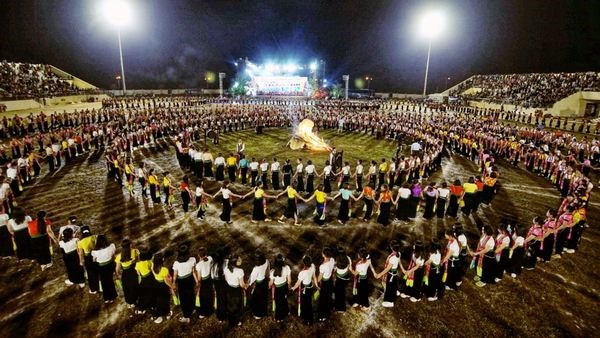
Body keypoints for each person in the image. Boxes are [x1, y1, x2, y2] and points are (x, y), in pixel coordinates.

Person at [291, 255, 318, 325]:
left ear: (304, 263)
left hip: (305, 289)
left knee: (306, 304)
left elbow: (297, 283)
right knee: (308, 302)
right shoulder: (313, 266)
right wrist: (316, 285)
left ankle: (308, 320)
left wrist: (293, 288)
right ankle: (306, 316)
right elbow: (314, 276)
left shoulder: (302, 273)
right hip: (310, 287)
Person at [172, 245, 196, 323]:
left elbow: (175, 274)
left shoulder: (176, 263)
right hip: (190, 279)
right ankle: (192, 309)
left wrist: (173, 283)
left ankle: (186, 316)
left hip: (182, 282)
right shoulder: (192, 259)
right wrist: (196, 281)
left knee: (183, 299)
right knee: (191, 294)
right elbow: (193, 271)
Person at [91, 234, 117, 303]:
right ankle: (113, 296)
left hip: (101, 267)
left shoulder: (95, 252)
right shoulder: (111, 247)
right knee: (110, 280)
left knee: (104, 282)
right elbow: (114, 256)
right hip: (110, 265)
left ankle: (107, 298)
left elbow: (94, 260)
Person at [374, 240, 401, 307]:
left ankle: (389, 301)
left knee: (388, 286)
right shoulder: (398, 253)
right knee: (394, 283)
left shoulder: (392, 258)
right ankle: (395, 291)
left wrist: (379, 274)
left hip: (391, 273)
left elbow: (387, 269)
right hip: (394, 272)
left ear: (391, 247)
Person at [224, 253, 247, 327]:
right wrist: (246, 286)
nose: (240, 260)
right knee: (238, 305)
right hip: (237, 290)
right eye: (239, 259)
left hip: (229, 288)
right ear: (235, 262)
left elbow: (226, 279)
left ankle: (231, 320)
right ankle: (237, 321)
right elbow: (241, 284)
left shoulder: (226, 268)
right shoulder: (240, 271)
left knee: (230, 304)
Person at [115, 238, 139, 308]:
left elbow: (118, 269)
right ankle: (135, 299)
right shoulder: (135, 251)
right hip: (133, 270)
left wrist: (118, 274)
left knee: (127, 288)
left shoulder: (119, 256)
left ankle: (129, 302)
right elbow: (138, 260)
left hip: (125, 273)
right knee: (134, 286)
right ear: (130, 245)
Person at [151, 253, 174, 324]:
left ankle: (159, 312)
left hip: (156, 284)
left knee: (159, 299)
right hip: (163, 286)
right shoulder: (164, 270)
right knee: (165, 300)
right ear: (162, 260)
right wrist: (172, 286)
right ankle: (167, 313)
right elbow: (167, 281)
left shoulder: (152, 266)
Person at [269, 253, 291, 322]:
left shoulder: (272, 272)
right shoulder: (287, 268)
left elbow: (271, 283)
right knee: (284, 299)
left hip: (278, 289)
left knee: (278, 303)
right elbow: (289, 280)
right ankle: (287, 311)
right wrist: (288, 286)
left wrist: (268, 286)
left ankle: (279, 318)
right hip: (284, 287)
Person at [77, 225, 99, 294]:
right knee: (98, 271)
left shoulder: (80, 242)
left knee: (91, 274)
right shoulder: (95, 237)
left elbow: (80, 254)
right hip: (97, 255)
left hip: (88, 258)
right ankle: (101, 287)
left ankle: (94, 289)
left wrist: (81, 261)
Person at [193, 247, 214, 319]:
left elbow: (199, 278)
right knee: (209, 294)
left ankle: (205, 312)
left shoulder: (199, 265)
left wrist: (198, 285)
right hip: (209, 279)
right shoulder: (210, 258)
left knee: (203, 297)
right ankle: (211, 309)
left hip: (203, 282)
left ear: (199, 255)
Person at [248, 250, 269, 319]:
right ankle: (264, 311)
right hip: (265, 281)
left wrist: (249, 284)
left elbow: (252, 279)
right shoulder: (267, 261)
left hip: (258, 284)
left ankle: (258, 314)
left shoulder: (256, 269)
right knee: (264, 297)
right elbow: (268, 270)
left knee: (257, 298)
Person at [317, 247, 335, 322]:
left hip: (325, 282)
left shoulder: (323, 266)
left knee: (323, 299)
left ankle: (323, 315)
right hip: (330, 280)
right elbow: (334, 269)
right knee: (329, 295)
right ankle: (330, 306)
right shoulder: (332, 260)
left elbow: (319, 278)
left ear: (324, 255)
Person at [333, 247, 353, 312]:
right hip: (346, 277)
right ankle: (341, 307)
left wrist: (333, 276)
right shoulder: (348, 258)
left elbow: (334, 270)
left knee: (339, 293)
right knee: (342, 291)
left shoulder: (336, 261)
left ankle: (340, 308)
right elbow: (350, 267)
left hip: (339, 278)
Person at [135, 249, 154, 315]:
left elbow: (138, 273)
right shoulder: (149, 261)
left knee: (143, 294)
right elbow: (152, 269)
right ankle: (151, 305)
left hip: (143, 278)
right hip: (150, 277)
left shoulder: (137, 264)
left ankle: (142, 308)